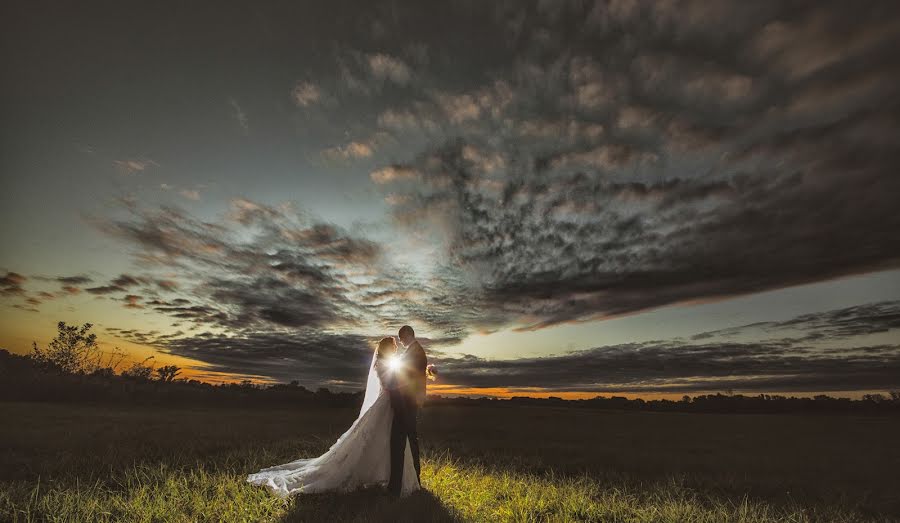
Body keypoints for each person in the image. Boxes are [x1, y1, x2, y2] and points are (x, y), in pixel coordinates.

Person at [246, 336, 420, 497]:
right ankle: (366, 475)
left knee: (387, 442)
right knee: (374, 440)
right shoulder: (382, 364)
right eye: (394, 346)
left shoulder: (389, 363)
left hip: (390, 406)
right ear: (386, 348)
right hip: (385, 405)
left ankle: (387, 477)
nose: (396, 348)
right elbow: (391, 385)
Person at [388, 325, 428, 496]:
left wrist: (393, 389)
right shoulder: (414, 351)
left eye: (402, 337)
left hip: (406, 405)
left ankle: (397, 487)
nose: (401, 341)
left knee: (401, 444)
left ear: (410, 334)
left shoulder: (416, 352)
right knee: (408, 443)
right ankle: (409, 482)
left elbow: (409, 379)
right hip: (407, 404)